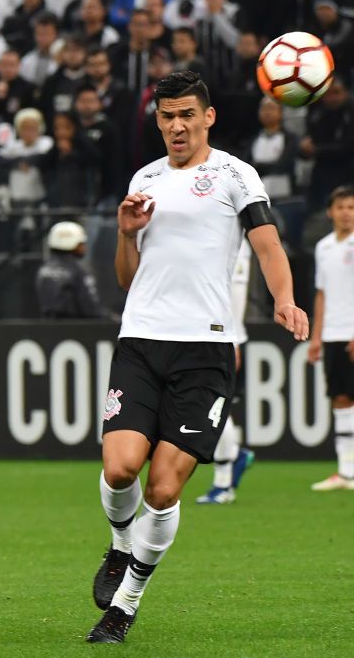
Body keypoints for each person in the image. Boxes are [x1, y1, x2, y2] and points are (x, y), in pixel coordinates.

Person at [87, 71, 308, 643]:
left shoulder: (236, 174)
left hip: (206, 347)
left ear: (208, 117)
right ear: (157, 120)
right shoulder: (146, 178)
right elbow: (126, 280)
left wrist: (284, 300)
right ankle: (118, 544)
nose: (177, 125)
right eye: (167, 116)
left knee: (162, 489)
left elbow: (267, 244)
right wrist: (125, 233)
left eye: (187, 114)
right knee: (119, 469)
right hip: (140, 340)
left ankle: (126, 605)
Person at [195, 238, 256, 504]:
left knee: (216, 406)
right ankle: (234, 458)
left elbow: (235, 296)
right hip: (203, 334)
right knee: (213, 406)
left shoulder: (236, 242)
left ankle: (223, 483)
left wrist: (232, 339)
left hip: (223, 339)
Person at [308, 186, 354, 491]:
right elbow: (321, 294)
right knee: (340, 400)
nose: (346, 213)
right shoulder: (323, 247)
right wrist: (317, 337)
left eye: (351, 207)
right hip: (334, 334)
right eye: (341, 207)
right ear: (330, 212)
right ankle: (346, 471)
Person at [36, 221, 108, 319]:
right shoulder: (79, 271)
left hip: (48, 328)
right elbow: (90, 307)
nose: (84, 247)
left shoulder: (43, 270)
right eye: (81, 243)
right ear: (72, 243)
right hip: (77, 329)